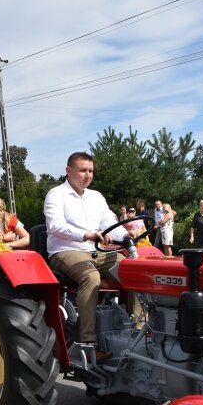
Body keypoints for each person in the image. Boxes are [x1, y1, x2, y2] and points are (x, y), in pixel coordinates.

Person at [44, 152, 128, 362]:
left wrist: (126, 236)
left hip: (96, 251)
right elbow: (55, 226)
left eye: (90, 171)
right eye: (83, 170)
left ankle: (134, 332)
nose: (87, 175)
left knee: (132, 271)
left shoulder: (96, 197)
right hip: (65, 250)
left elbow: (110, 223)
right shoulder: (56, 194)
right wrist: (86, 234)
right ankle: (88, 344)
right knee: (91, 277)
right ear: (69, 171)